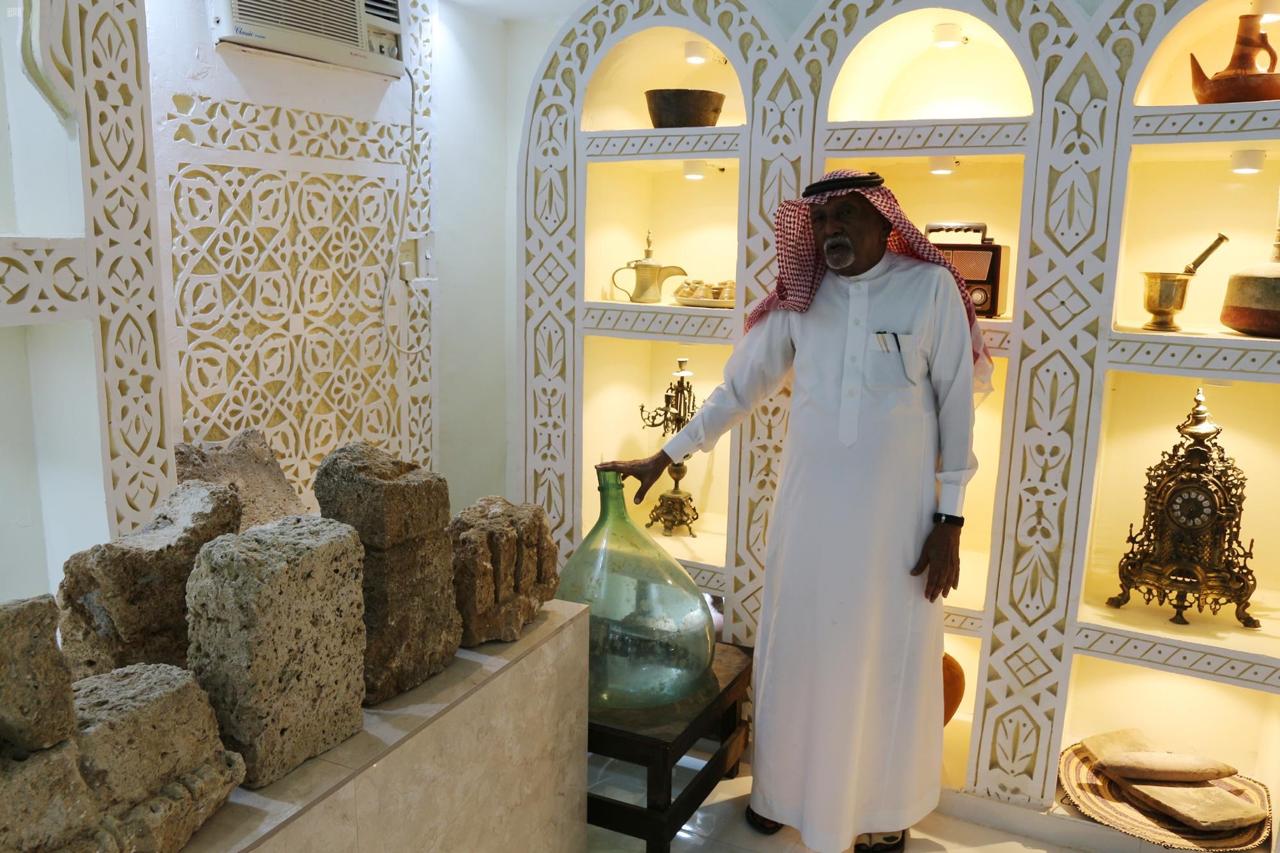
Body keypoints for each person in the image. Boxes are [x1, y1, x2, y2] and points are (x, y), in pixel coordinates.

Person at [600, 169, 992, 853]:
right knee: (800, 649)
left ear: (884, 222)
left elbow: (957, 406)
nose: (830, 231)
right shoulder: (800, 299)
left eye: (846, 216)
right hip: (810, 514)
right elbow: (737, 391)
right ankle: (782, 793)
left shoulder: (929, 288)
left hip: (899, 523)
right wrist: (666, 455)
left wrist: (950, 522)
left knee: (883, 657)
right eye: (820, 220)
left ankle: (880, 811)